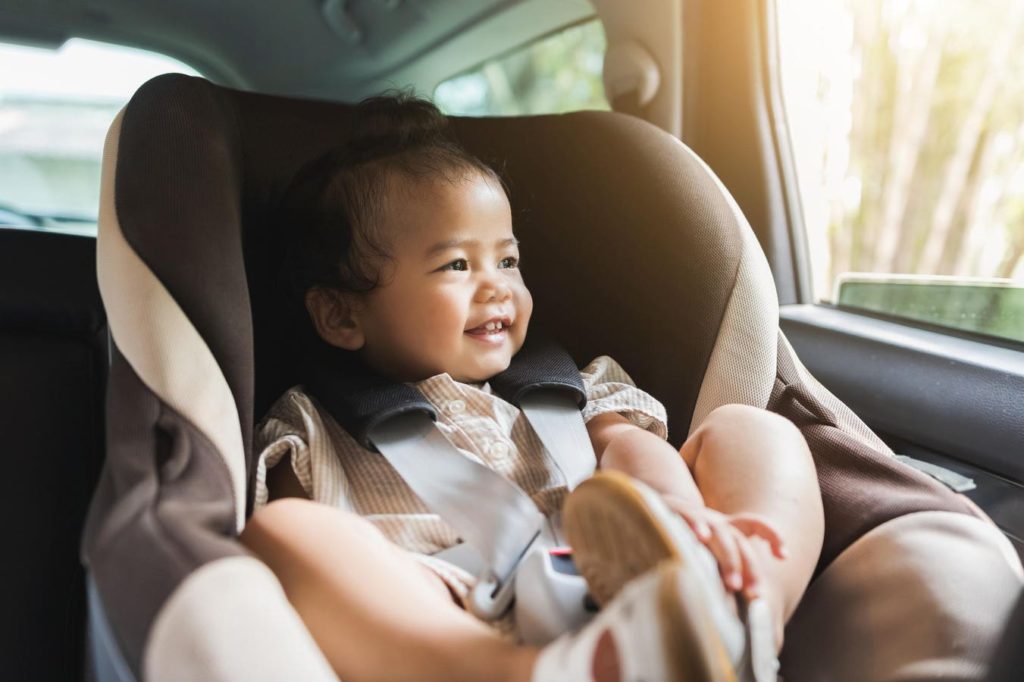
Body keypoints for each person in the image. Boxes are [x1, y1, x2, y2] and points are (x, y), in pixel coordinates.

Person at [239, 93, 825, 682]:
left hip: (630, 567)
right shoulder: (310, 425)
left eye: (509, 260)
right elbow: (319, 554)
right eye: (456, 266)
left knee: (752, 429)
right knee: (283, 532)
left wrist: (671, 511)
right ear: (342, 316)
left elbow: (628, 446)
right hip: (455, 607)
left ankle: (748, 606)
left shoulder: (569, 385)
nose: (497, 288)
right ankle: (531, 671)